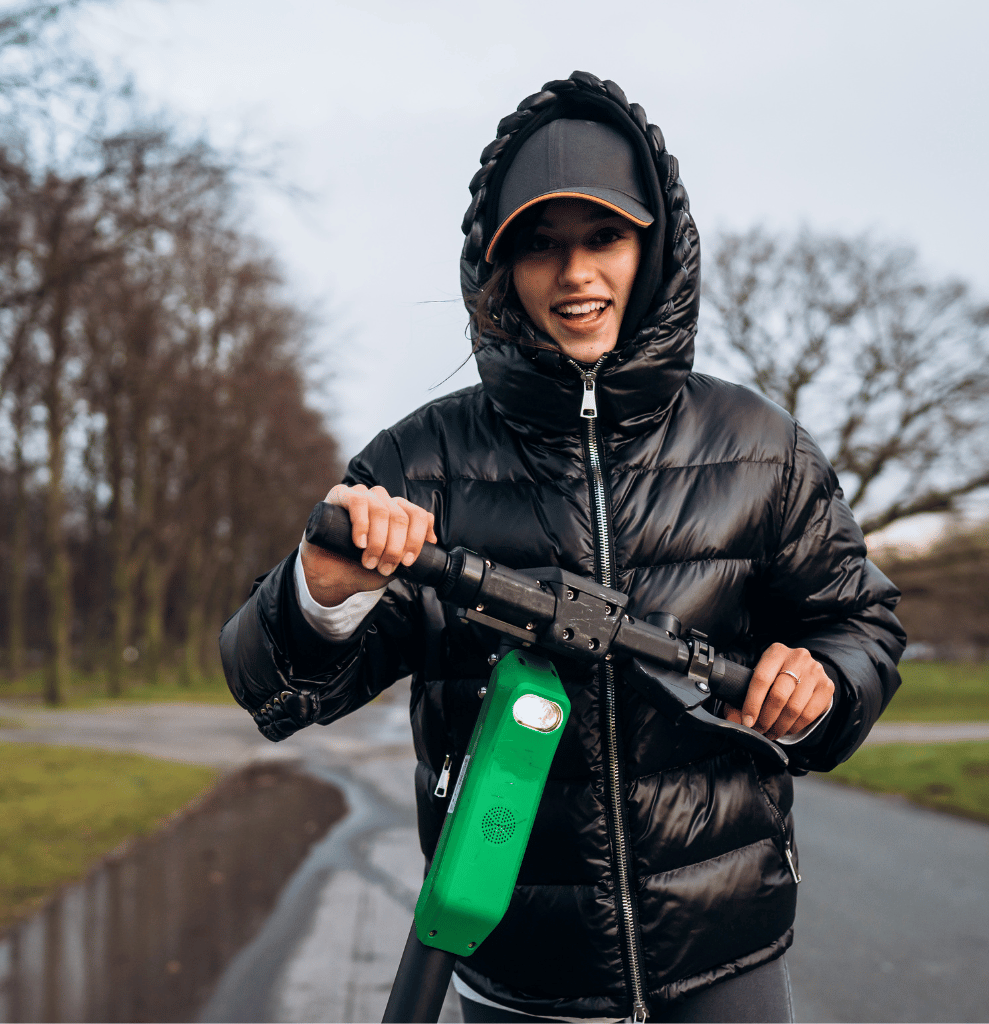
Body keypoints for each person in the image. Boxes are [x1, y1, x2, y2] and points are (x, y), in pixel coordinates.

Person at [221, 71, 905, 1023]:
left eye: (604, 238)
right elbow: (277, 694)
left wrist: (825, 680)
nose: (576, 273)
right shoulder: (417, 466)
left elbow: (860, 624)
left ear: (654, 247)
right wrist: (319, 593)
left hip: (726, 957)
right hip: (517, 972)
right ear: (499, 269)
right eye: (540, 246)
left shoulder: (760, 447)